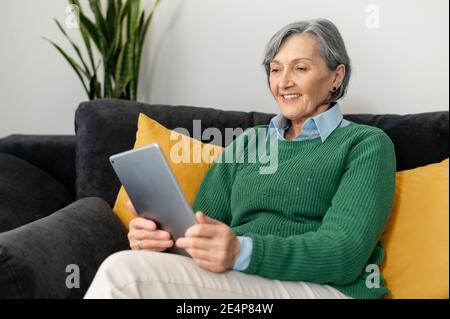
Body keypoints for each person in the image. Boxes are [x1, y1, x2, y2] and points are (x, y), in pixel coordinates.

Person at [84, 18, 396, 299]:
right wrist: (162, 242)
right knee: (136, 265)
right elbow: (201, 226)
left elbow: (344, 254)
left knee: (122, 276)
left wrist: (242, 251)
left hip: (328, 289)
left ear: (336, 77)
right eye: (276, 69)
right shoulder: (249, 143)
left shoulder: (366, 144)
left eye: (300, 68)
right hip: (244, 280)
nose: (283, 81)